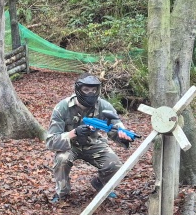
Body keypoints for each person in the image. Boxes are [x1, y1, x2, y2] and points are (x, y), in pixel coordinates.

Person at [45, 75, 133, 203]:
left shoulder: (104, 106)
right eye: (86, 90)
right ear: (78, 90)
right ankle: (62, 192)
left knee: (115, 165)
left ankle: (101, 183)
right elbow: (51, 141)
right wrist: (74, 133)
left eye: (93, 90)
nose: (90, 94)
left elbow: (116, 127)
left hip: (93, 143)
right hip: (70, 145)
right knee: (62, 160)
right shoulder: (63, 107)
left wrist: (124, 137)